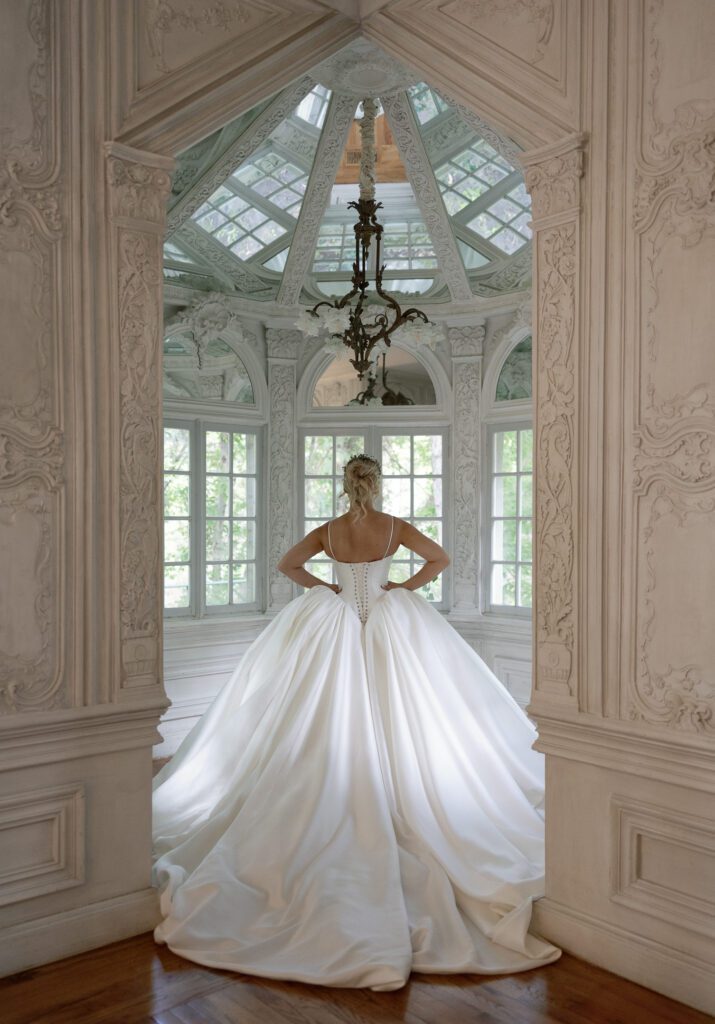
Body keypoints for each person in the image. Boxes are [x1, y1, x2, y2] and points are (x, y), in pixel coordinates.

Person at [151, 453, 560, 990]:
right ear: (377, 484)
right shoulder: (394, 528)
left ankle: (340, 790)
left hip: (340, 619)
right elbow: (439, 559)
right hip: (389, 621)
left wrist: (327, 588)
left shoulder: (330, 530)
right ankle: (400, 790)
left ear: (345, 487)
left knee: (323, 715)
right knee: (409, 714)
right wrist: (402, 588)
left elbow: (287, 565)